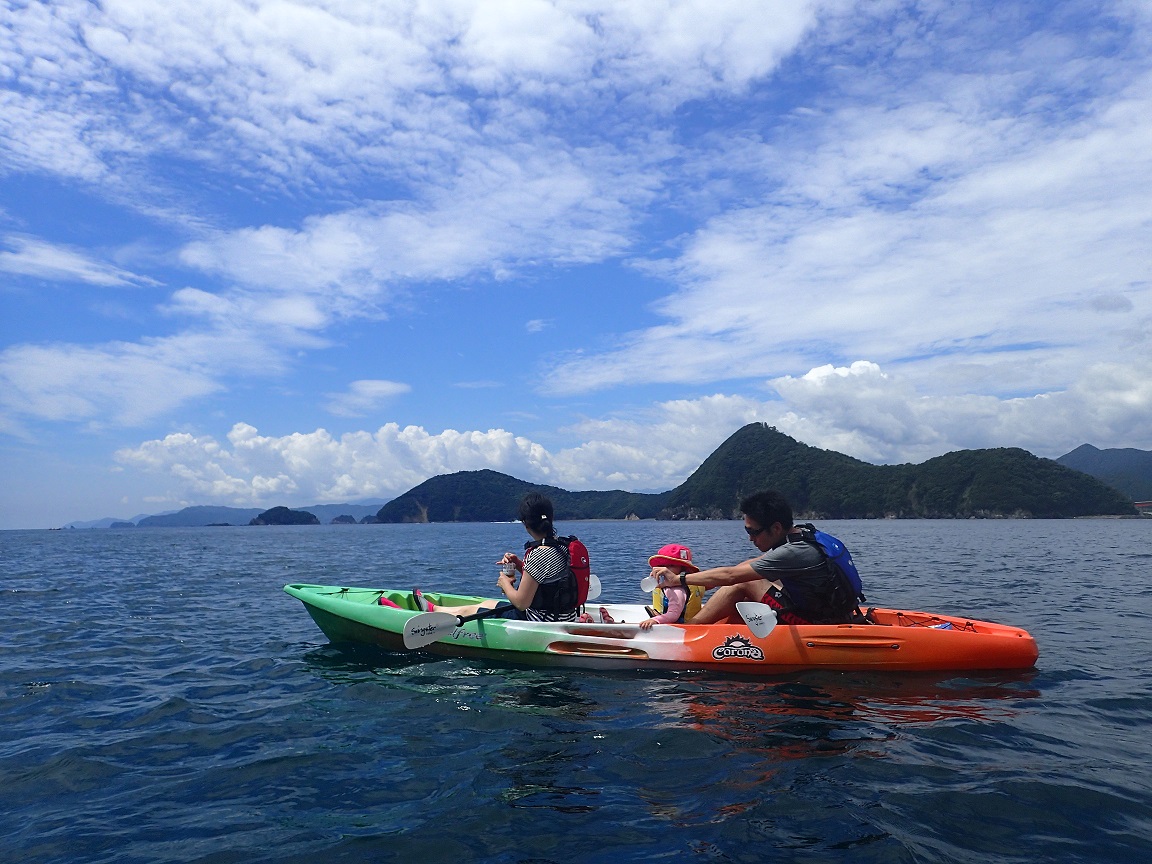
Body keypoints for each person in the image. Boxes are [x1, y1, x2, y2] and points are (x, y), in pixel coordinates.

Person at [650, 490, 856, 626]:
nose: (750, 538)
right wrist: (695, 586)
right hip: (829, 610)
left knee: (742, 583)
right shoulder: (803, 536)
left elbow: (731, 576)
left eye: (754, 532)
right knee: (749, 567)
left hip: (815, 623)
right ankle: (714, 630)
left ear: (775, 528)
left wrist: (679, 580)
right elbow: (749, 568)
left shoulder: (795, 552)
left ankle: (689, 630)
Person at [412, 492, 582, 622]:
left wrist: (505, 584)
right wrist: (518, 565)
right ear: (551, 518)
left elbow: (521, 603)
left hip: (539, 621)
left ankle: (432, 612)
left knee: (471, 611)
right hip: (564, 616)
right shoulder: (563, 546)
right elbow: (550, 580)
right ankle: (435, 609)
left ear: (525, 523)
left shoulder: (538, 553)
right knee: (486, 605)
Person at [638, 544, 704, 630]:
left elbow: (673, 615)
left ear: (683, 569)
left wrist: (655, 620)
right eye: (663, 565)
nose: (666, 569)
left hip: (677, 629)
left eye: (672, 565)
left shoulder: (676, 590)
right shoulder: (691, 583)